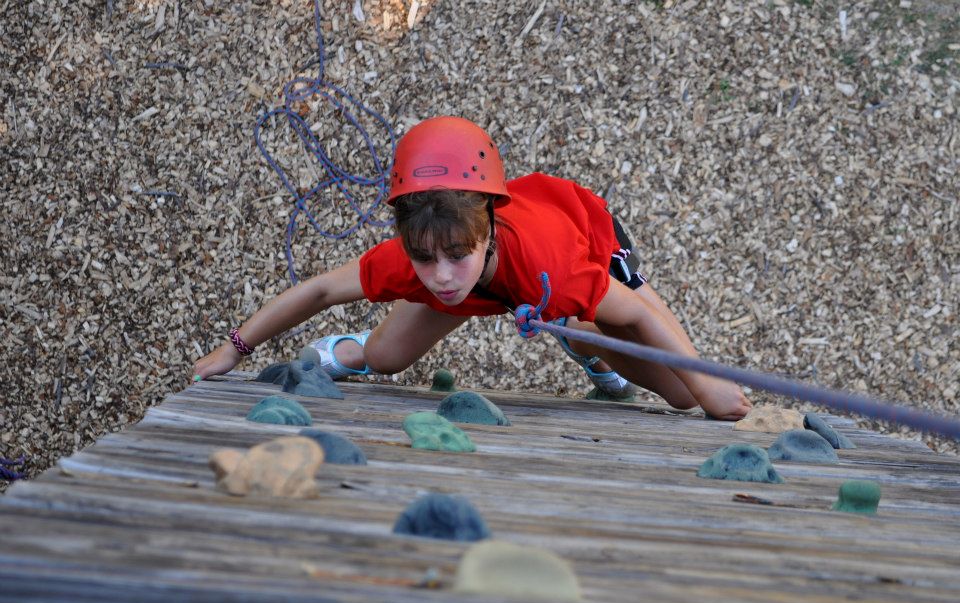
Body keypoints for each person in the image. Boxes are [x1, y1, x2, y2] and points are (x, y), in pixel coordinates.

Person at [192, 116, 751, 420]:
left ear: (489, 226)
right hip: (501, 277)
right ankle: (357, 346)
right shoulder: (435, 251)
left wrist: (708, 389)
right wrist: (232, 349)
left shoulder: (550, 266)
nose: (439, 276)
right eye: (423, 258)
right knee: (386, 357)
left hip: (583, 234)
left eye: (455, 256)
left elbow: (641, 314)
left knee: (675, 390)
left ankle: (582, 344)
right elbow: (317, 291)